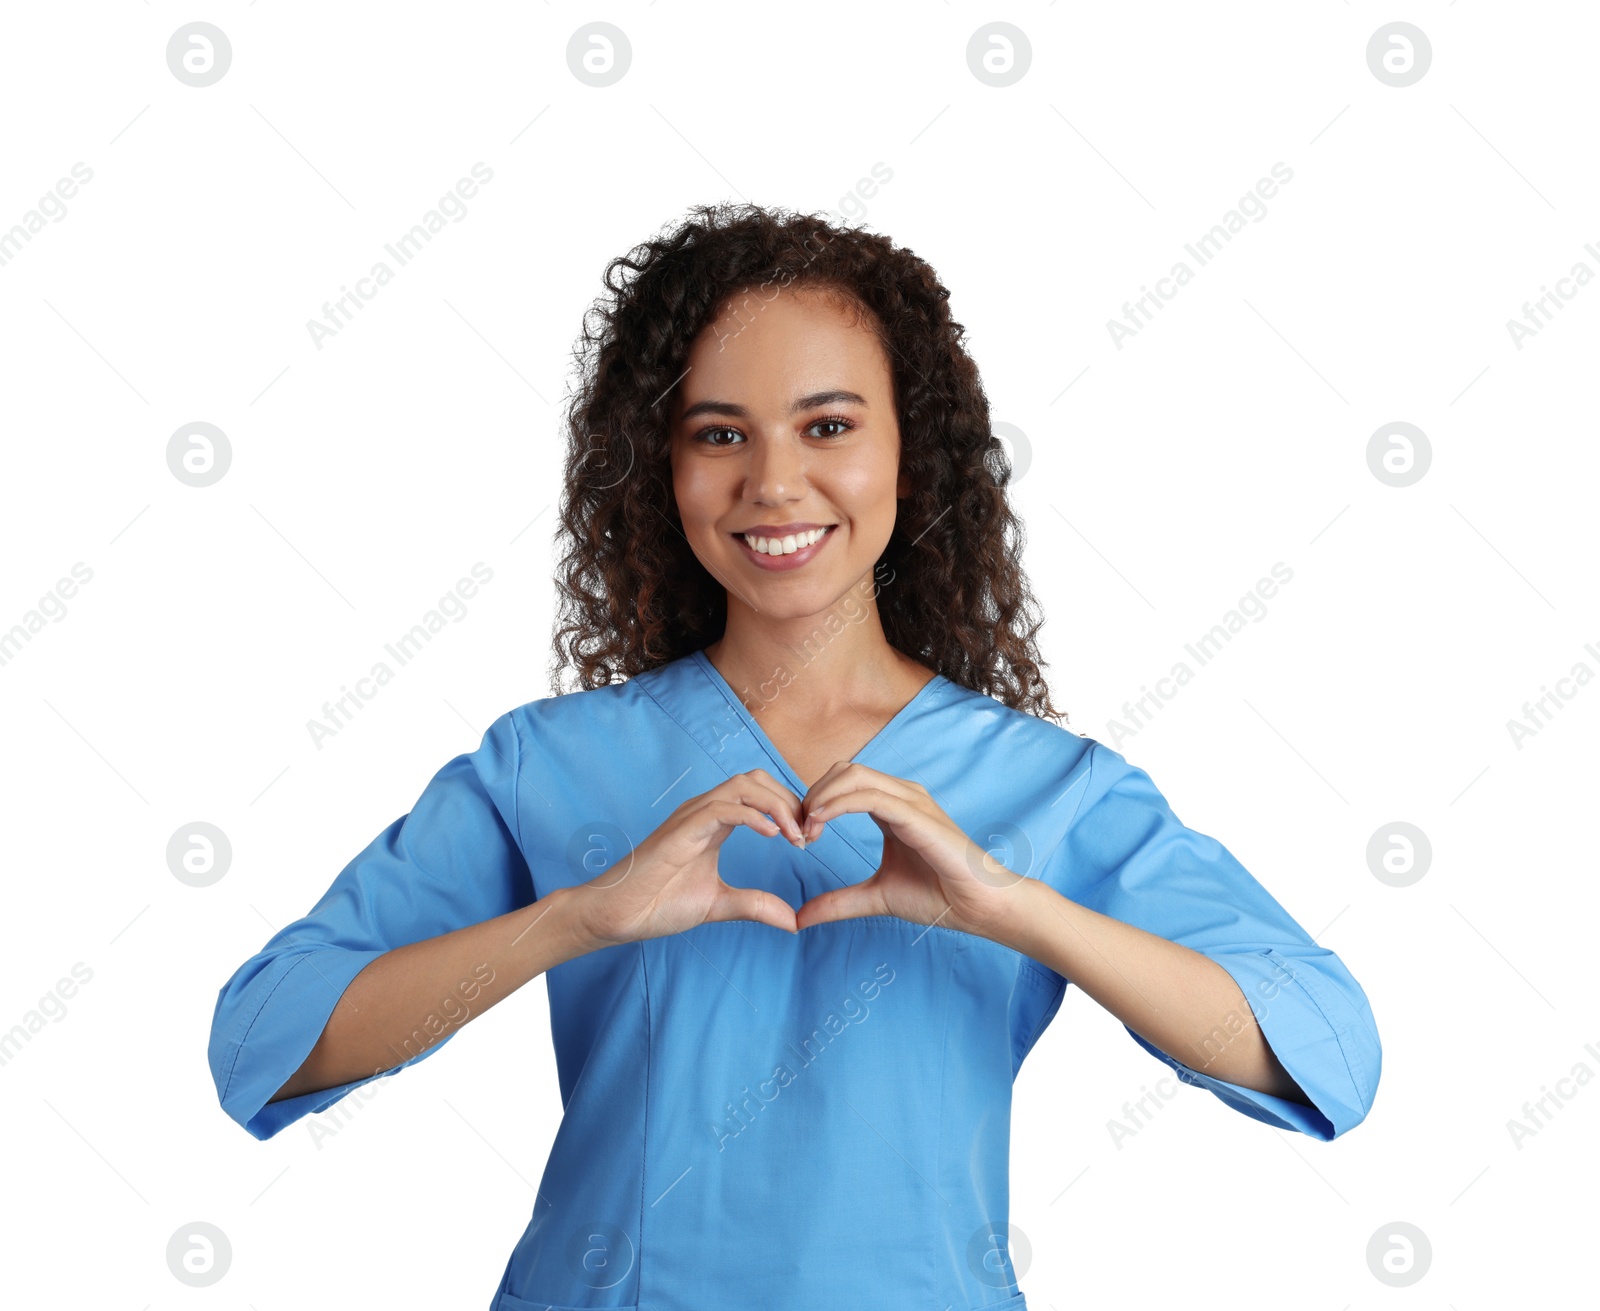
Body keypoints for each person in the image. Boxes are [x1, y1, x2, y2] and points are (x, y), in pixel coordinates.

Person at [208, 202, 1382, 1310]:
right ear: (663, 471)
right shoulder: (548, 767)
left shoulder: (1049, 792)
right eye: (720, 434)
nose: (773, 481)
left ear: (911, 456)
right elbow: (264, 1039)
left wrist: (1014, 909)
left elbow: (1322, 1052)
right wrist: (572, 921)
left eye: (828, 426)